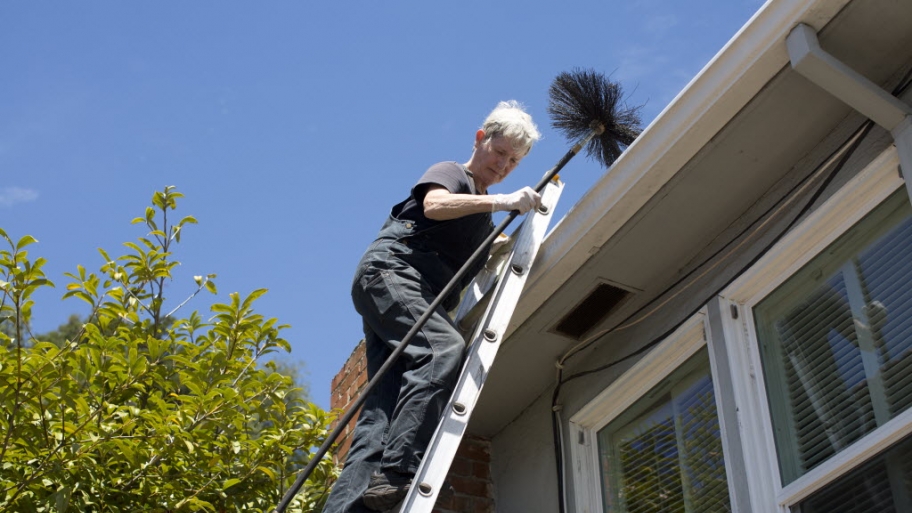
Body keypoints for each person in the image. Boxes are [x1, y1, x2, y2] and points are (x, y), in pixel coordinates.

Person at [321, 101, 542, 513]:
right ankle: (400, 472)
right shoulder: (452, 173)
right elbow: (434, 207)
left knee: (380, 417)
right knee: (442, 349)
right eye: (500, 152)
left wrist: (499, 243)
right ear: (481, 139)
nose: (504, 164)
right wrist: (504, 202)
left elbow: (471, 243)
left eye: (514, 160)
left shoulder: (482, 218)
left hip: (409, 296)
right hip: (391, 275)